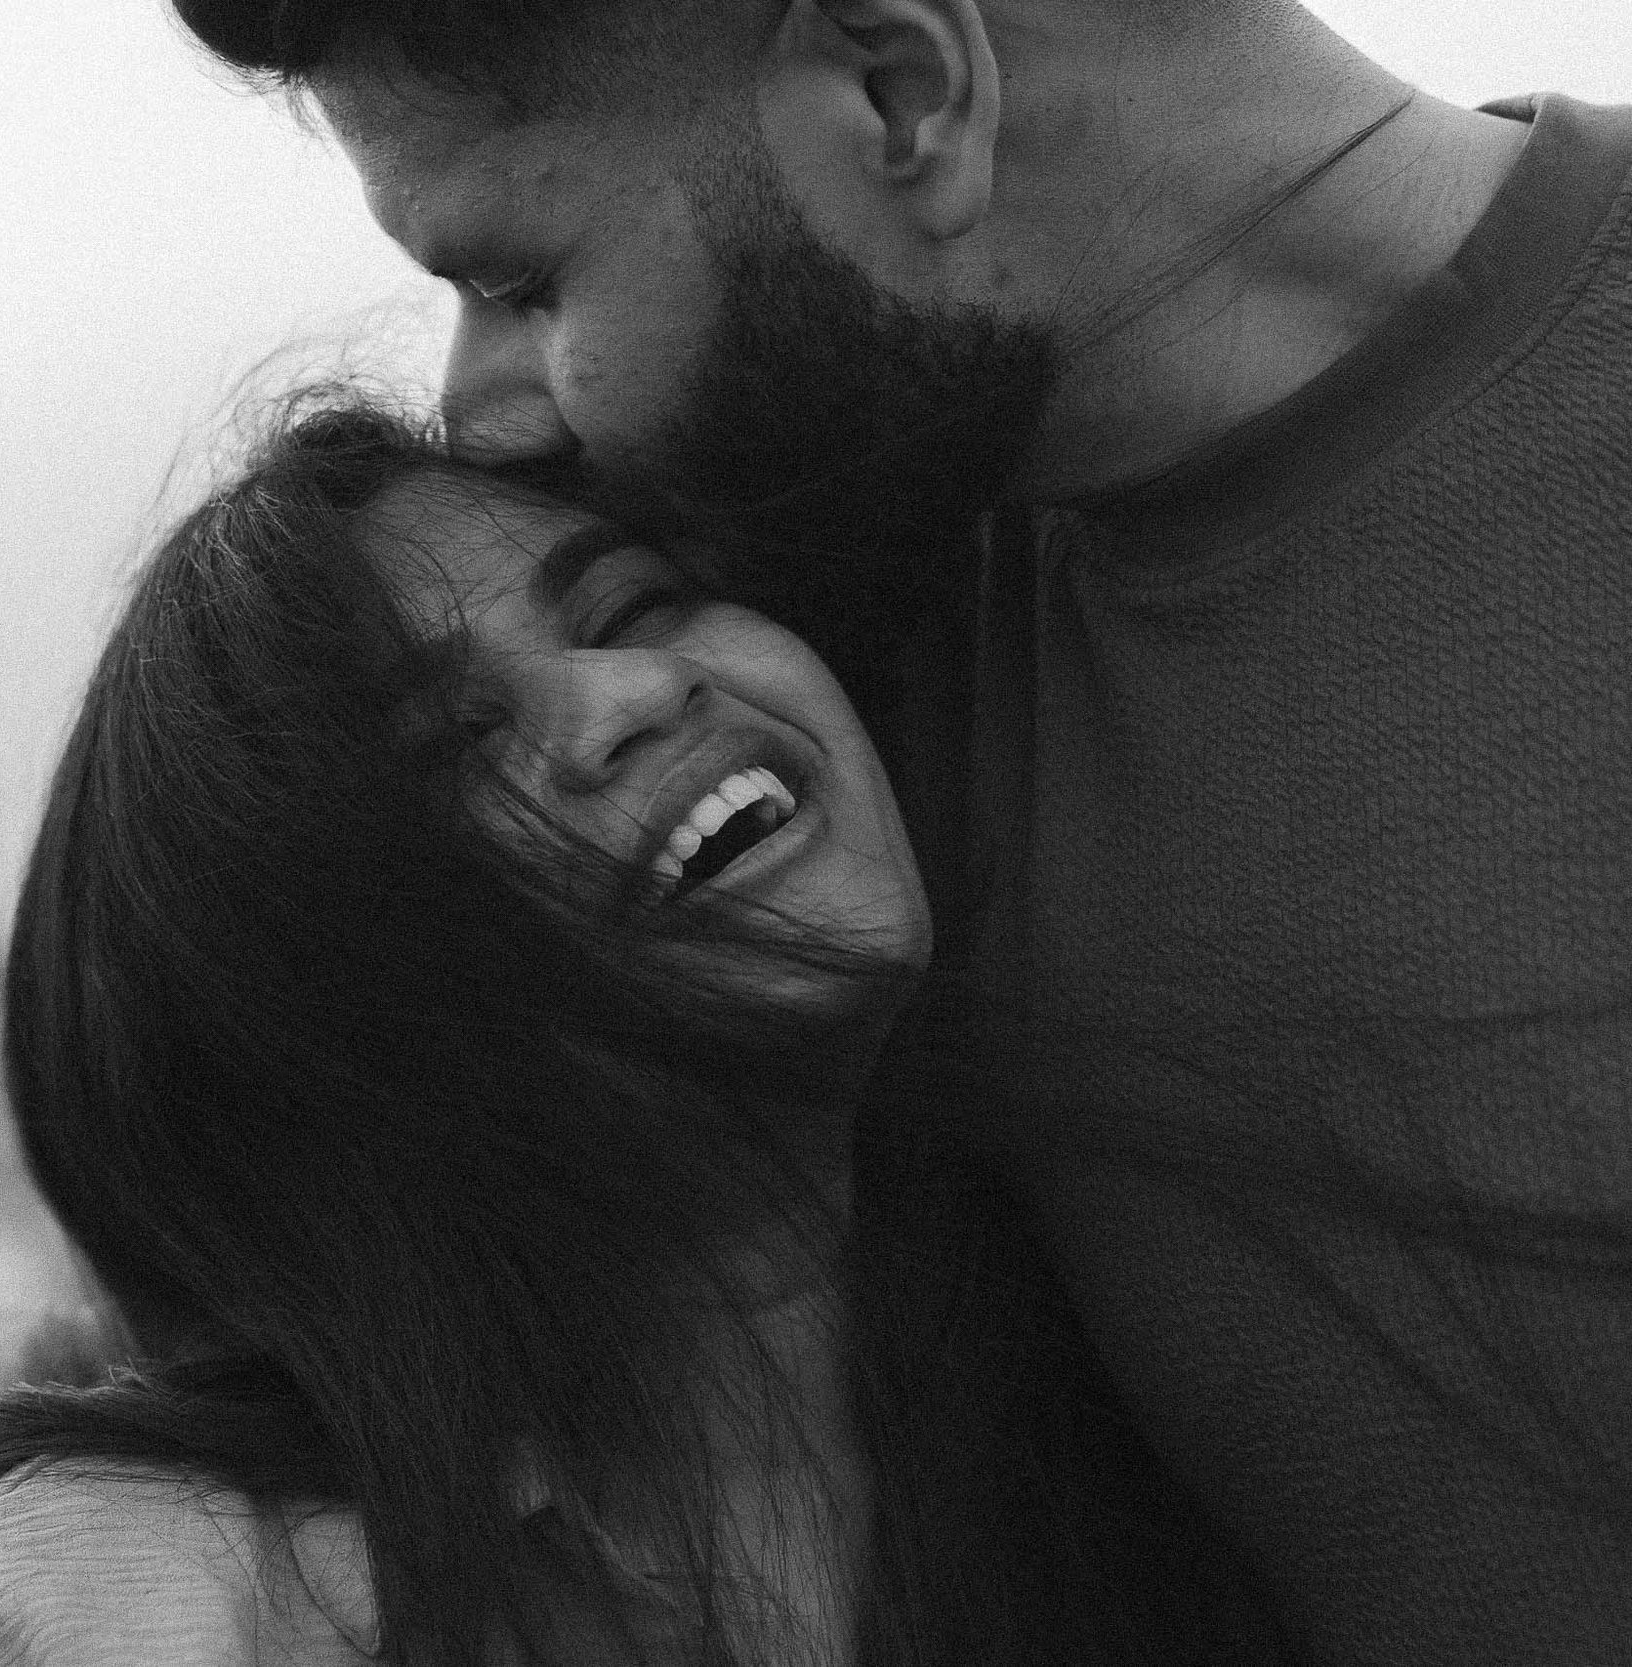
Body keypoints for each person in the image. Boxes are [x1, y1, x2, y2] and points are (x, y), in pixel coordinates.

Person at [143, 4, 1632, 1665]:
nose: (485, 410)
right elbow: (330, 1201)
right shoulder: (794, 656)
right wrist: (54, 1557)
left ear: (900, 91)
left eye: (522, 280)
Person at [0, 397, 1280, 1666]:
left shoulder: (1151, 1405)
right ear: (318, 1022)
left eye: (634, 606)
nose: (634, 697)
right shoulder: (173, 1594)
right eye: (455, 745)